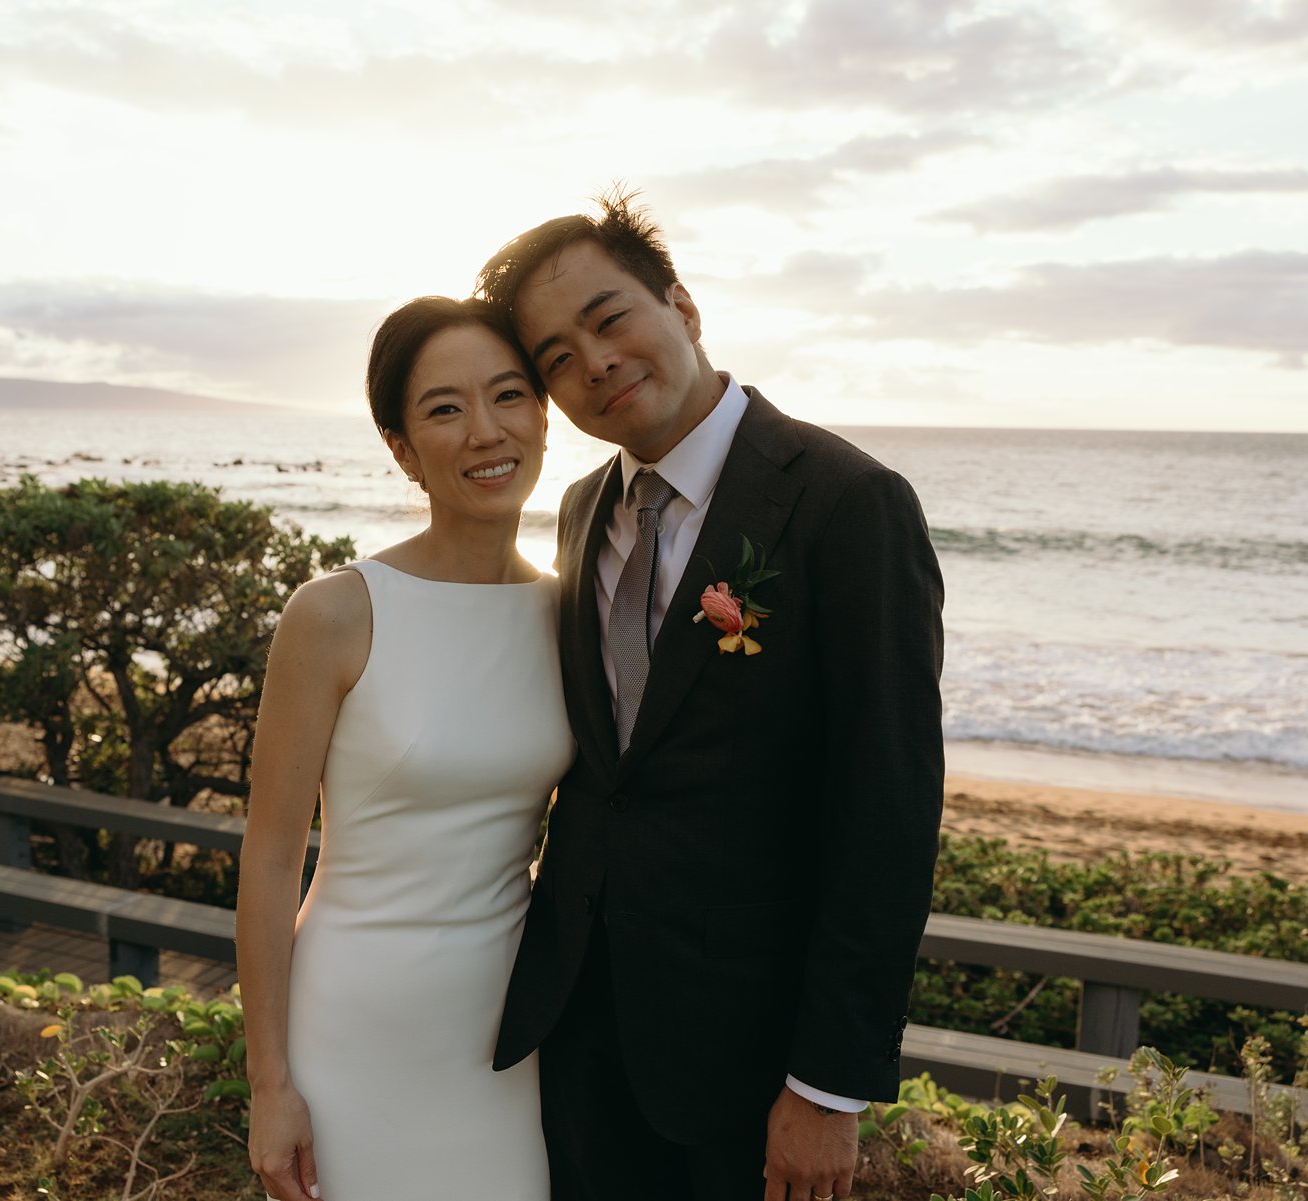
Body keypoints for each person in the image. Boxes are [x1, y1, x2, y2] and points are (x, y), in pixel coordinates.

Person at [475, 192, 945, 1201]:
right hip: (579, 1029)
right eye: (556, 357)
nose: (593, 363)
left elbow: (888, 809)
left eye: (609, 319)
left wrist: (827, 1086)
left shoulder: (847, 502)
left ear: (680, 305)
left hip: (749, 1055)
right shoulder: (577, 510)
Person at [235, 296, 575, 1201]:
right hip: (354, 1026)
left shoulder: (569, 611)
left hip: (506, 1034)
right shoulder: (338, 611)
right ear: (400, 446)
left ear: (545, 414)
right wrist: (271, 1083)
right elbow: (269, 859)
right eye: (444, 408)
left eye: (509, 395)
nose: (485, 431)